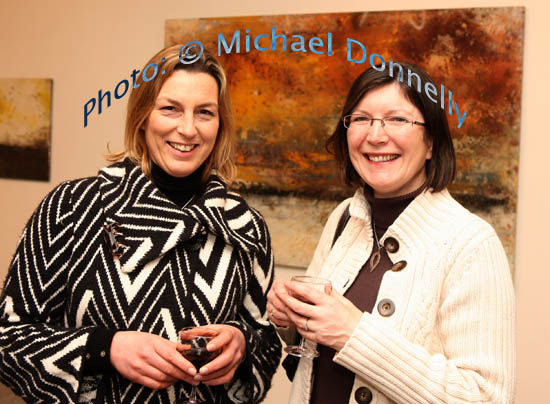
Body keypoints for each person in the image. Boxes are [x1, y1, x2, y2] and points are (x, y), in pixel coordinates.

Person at [0, 45, 281, 403]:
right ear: (142, 115)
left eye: (205, 112)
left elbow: (268, 342)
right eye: (170, 109)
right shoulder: (72, 208)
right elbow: (8, 338)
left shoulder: (244, 226)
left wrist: (242, 346)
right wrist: (105, 349)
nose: (188, 129)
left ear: (220, 123)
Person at [267, 62, 515, 404]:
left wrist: (353, 333)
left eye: (397, 119)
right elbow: (314, 350)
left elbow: (485, 398)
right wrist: (288, 318)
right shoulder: (344, 217)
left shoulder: (471, 243)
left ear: (431, 143)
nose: (375, 135)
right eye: (362, 118)